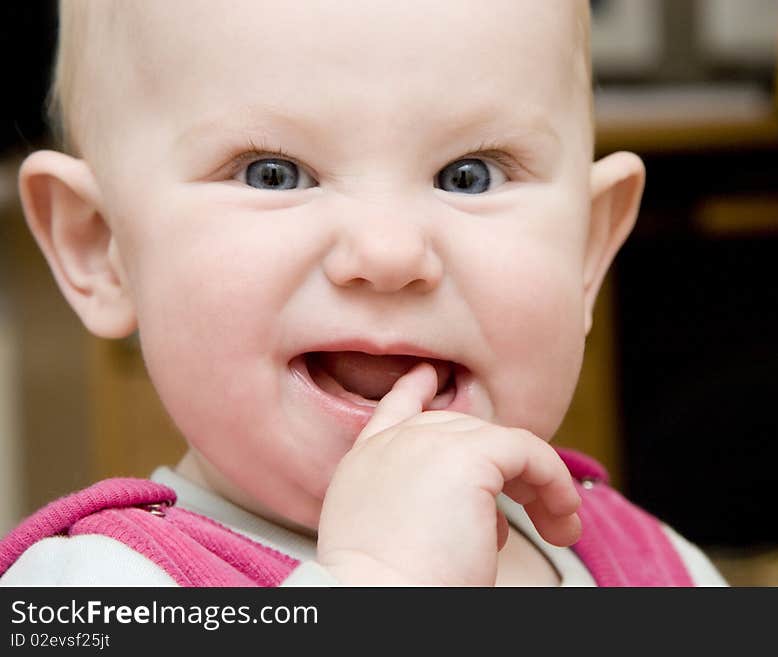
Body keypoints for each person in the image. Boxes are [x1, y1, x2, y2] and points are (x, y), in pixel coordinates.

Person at [0, 0, 725, 586]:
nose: (388, 253)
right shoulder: (88, 587)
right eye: (272, 173)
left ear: (587, 250)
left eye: (469, 173)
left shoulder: (661, 568)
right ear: (101, 248)